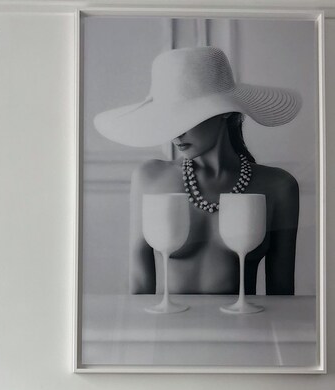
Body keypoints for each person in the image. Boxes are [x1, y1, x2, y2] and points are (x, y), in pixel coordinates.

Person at [94, 46, 301, 296]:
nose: (176, 132)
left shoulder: (279, 186)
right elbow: (139, 289)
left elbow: (282, 295)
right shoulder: (149, 178)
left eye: (186, 116)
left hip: (246, 330)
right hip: (167, 331)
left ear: (225, 111)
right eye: (168, 119)